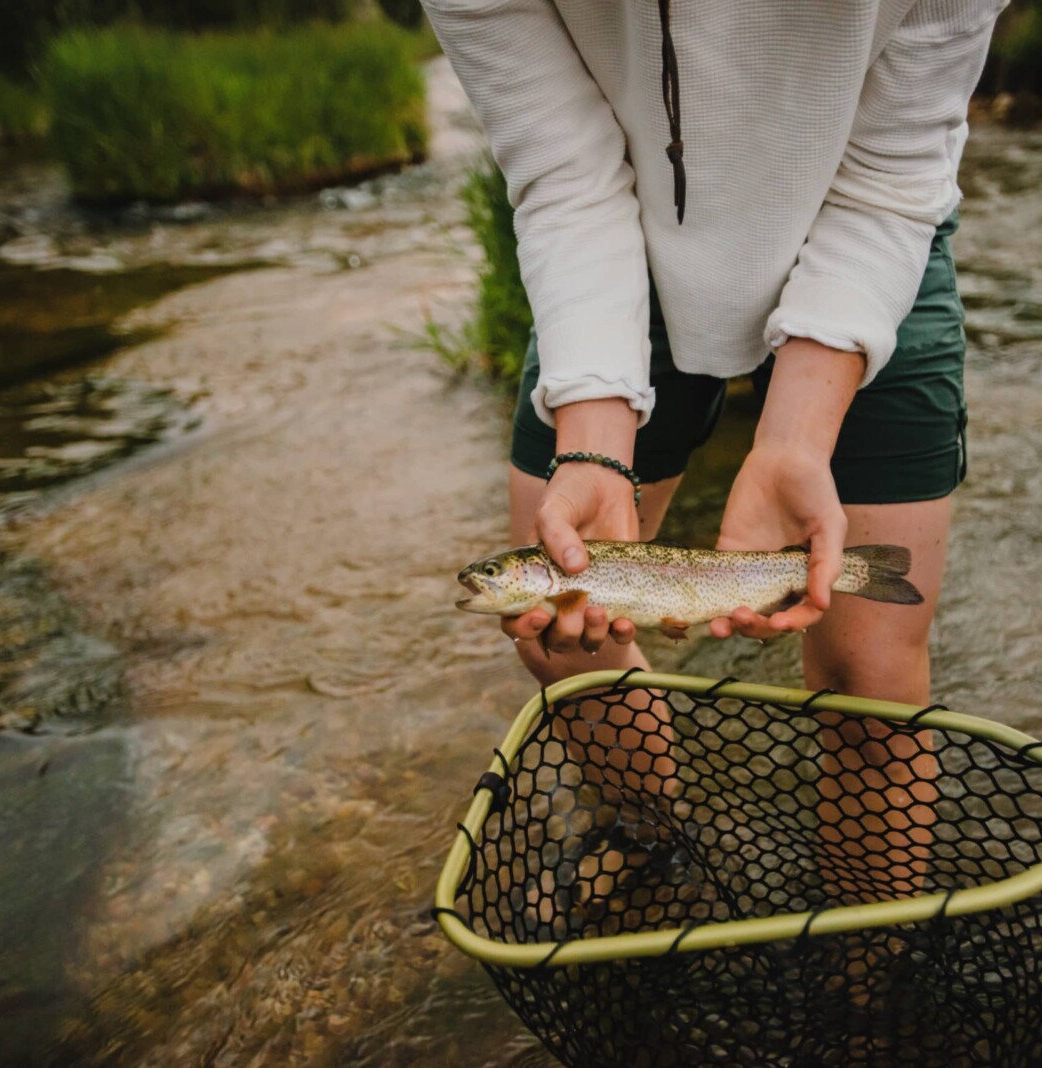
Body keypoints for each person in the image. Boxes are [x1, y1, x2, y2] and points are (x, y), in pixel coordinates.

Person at [428, 0, 1006, 898]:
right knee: (561, 647)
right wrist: (594, 450)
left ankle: (870, 970)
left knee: (870, 675)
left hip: (870, 229)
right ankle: (672, 851)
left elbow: (894, 170)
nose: (482, 583)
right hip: (614, 240)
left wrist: (794, 440)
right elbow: (561, 172)